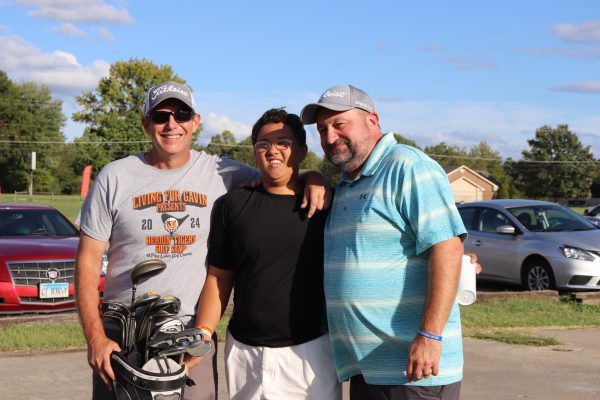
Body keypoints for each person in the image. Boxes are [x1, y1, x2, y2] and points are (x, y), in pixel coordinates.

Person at [75, 81, 328, 400]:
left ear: (196, 121)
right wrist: (95, 337)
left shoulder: (223, 173)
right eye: (160, 116)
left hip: (192, 333)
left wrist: (314, 178)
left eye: (181, 114)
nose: (171, 124)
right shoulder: (115, 177)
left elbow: (278, 172)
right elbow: (86, 261)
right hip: (125, 331)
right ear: (145, 123)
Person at [300, 84, 468, 400]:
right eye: (323, 130)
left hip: (414, 371)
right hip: (369, 369)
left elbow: (448, 248)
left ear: (372, 121)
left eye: (339, 124)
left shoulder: (408, 167)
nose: (330, 137)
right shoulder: (349, 181)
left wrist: (430, 336)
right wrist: (311, 175)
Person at [194, 108, 341, 399]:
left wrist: (316, 177)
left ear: (300, 151)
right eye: (264, 144)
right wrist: (202, 332)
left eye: (283, 143)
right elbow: (219, 278)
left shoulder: (326, 205)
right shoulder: (231, 205)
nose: (272, 150)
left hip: (309, 353)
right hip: (244, 352)